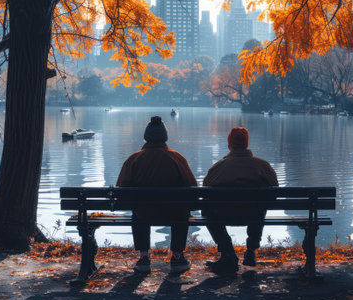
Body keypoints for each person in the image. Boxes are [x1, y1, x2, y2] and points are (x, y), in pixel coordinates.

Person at [117, 116, 197, 274]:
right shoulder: (177, 158)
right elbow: (192, 188)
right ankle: (177, 256)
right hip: (174, 212)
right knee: (182, 212)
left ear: (146, 137)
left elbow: (122, 190)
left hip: (143, 213)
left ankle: (144, 256)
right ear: (165, 137)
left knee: (138, 210)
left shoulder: (134, 159)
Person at [203, 127, 278, 274]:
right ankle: (250, 250)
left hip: (223, 215)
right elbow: (274, 191)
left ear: (229, 144)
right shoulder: (262, 166)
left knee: (206, 210)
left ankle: (228, 253)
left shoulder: (218, 167)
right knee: (260, 207)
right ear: (246, 143)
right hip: (253, 215)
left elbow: (206, 191)